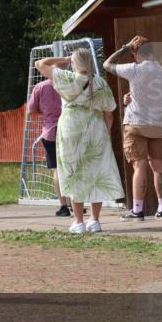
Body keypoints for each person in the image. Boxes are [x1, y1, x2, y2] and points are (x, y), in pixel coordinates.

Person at [36, 49, 123, 234]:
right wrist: (106, 134)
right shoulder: (100, 83)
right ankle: (95, 220)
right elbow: (109, 113)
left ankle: (78, 222)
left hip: (71, 129)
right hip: (96, 129)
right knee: (97, 173)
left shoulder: (67, 78)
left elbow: (40, 63)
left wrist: (65, 58)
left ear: (74, 62)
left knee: (74, 172)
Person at [103, 35, 162, 221]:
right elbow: (154, 95)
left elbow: (107, 64)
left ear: (135, 53)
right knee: (158, 165)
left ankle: (138, 210)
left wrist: (125, 48)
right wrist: (131, 98)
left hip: (136, 123)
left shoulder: (134, 69)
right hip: (157, 124)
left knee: (139, 166)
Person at [28, 75, 71, 216]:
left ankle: (64, 206)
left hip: (50, 131)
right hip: (69, 129)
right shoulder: (69, 82)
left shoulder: (40, 87)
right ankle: (76, 202)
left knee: (57, 169)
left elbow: (31, 110)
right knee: (71, 167)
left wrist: (44, 111)